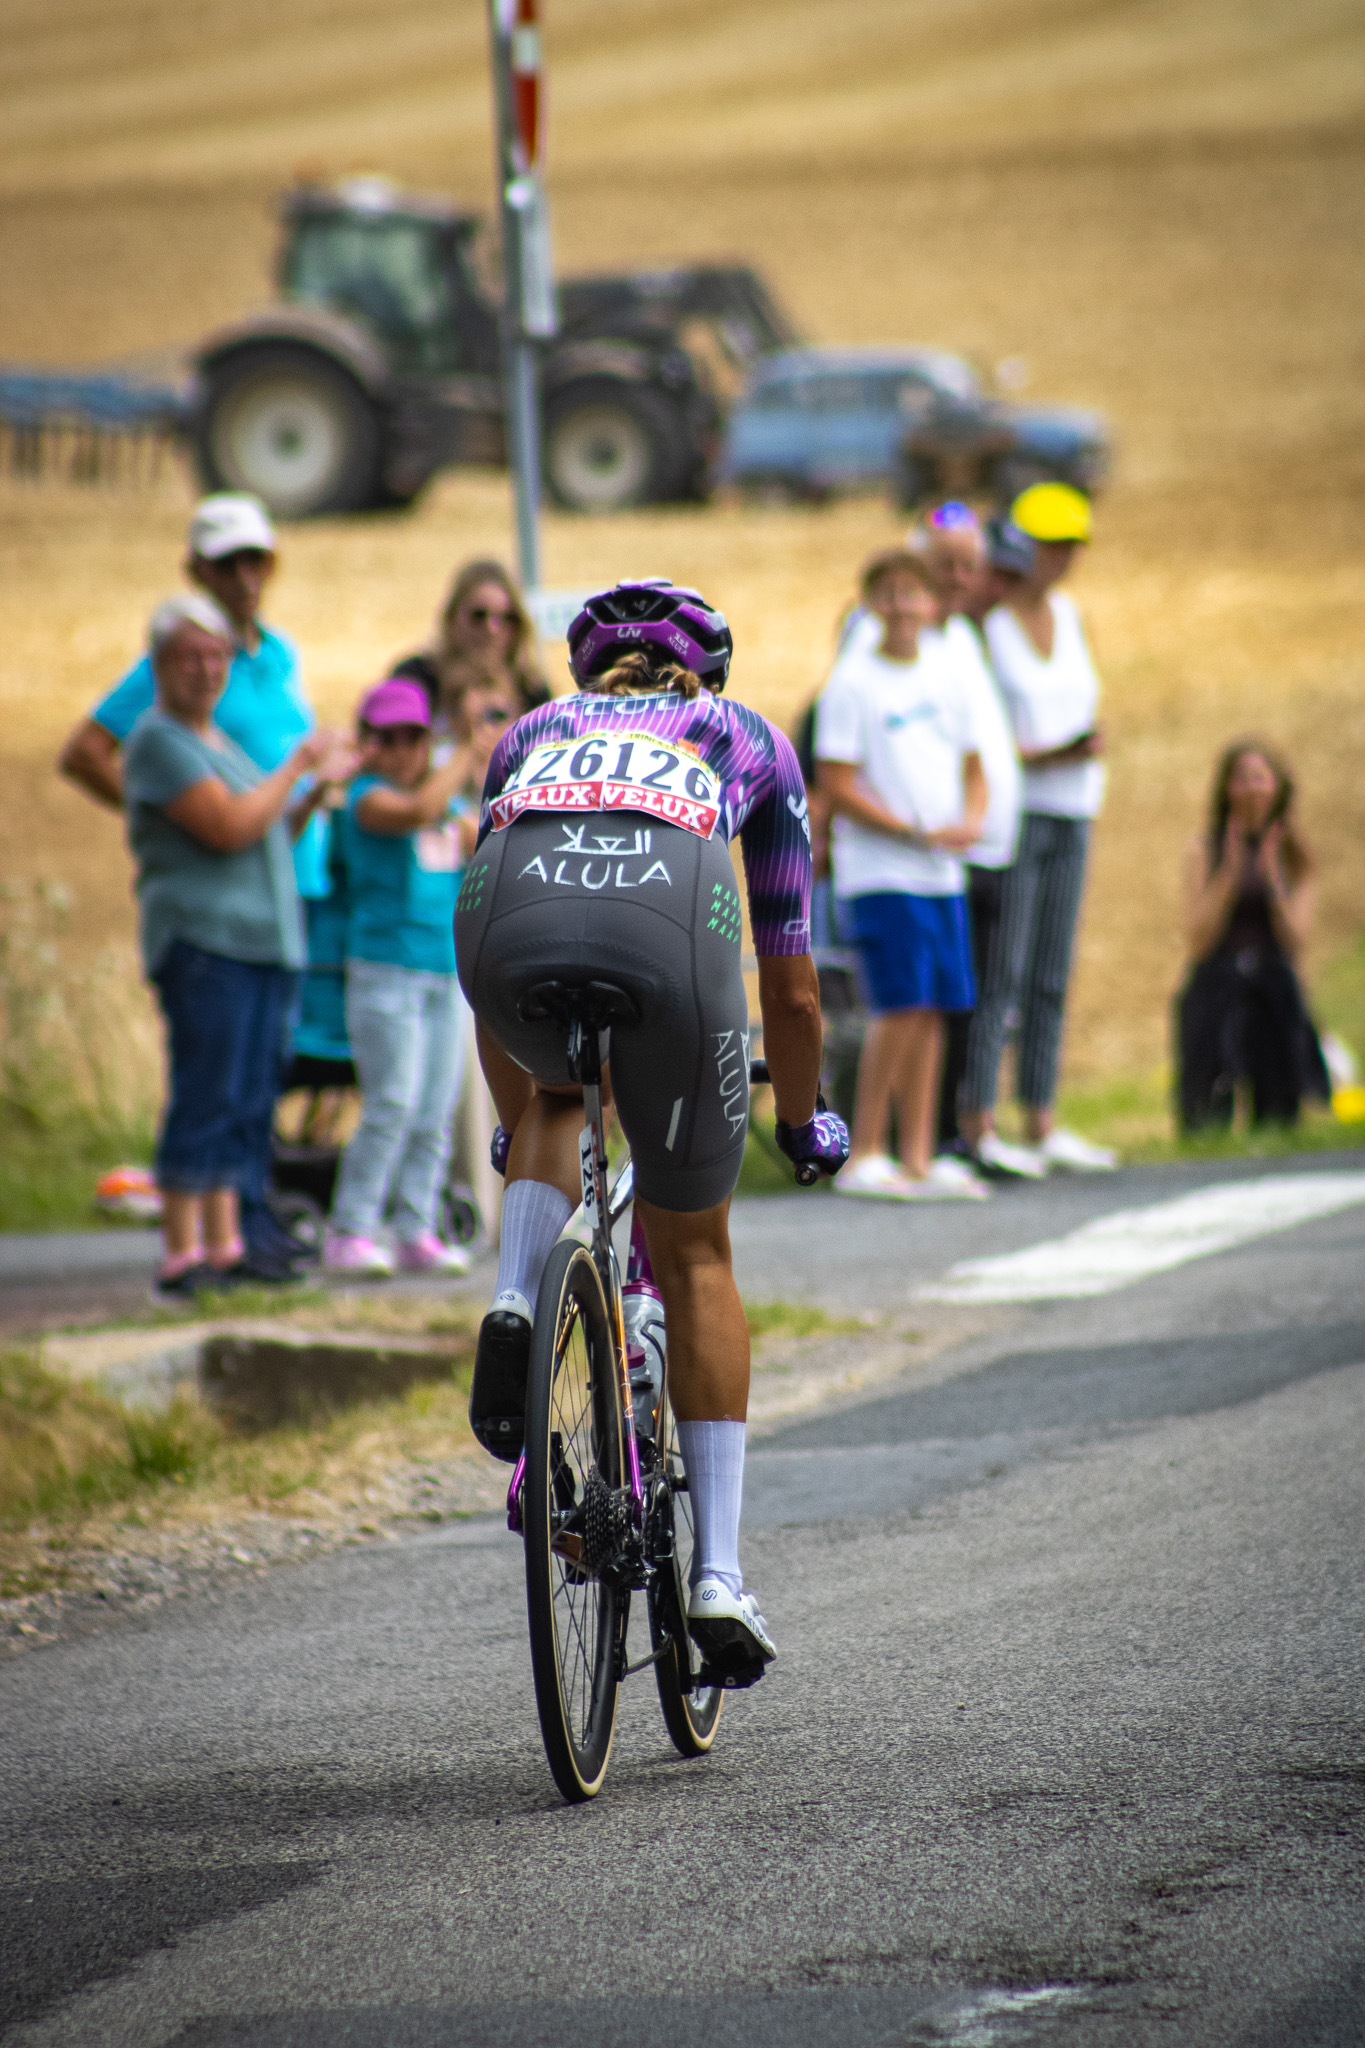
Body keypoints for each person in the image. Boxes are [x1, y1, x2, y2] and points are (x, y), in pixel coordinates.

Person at [456, 579, 847, 1678]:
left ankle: (517, 1295)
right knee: (694, 1248)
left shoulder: (527, 733)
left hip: (507, 937)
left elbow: (491, 962)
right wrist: (806, 1117)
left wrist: (515, 1125)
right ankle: (719, 1573)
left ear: (589, 673)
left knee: (555, 1097)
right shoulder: (747, 738)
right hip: (667, 943)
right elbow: (793, 985)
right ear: (706, 669)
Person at [57, 492, 328, 1267]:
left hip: (282, 889)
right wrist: (169, 819)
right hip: (215, 905)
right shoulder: (175, 661)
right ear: (199, 569)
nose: (244, 576)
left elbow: (257, 797)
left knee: (257, 1080)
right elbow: (89, 752)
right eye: (227, 562)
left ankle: (242, 1228)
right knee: (215, 1081)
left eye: (256, 559)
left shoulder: (277, 656)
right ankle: (206, 1245)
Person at [122, 595, 347, 1298]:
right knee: (206, 1094)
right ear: (160, 664)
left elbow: (268, 827)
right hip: (206, 945)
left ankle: (227, 1245)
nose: (207, 668)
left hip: (258, 948)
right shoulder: (158, 741)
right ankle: (181, 1254)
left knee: (247, 1099)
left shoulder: (219, 742)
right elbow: (225, 826)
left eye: (217, 654)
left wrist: (310, 794)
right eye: (190, 655)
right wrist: (295, 766)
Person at [815, 549, 989, 1200]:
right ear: (868, 603)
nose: (900, 606)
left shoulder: (946, 676)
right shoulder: (852, 683)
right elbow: (836, 781)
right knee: (898, 1004)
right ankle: (865, 1151)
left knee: (936, 1007)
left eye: (911, 592)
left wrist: (969, 820)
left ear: (930, 602)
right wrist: (907, 830)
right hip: (882, 869)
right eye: (885, 593)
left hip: (941, 871)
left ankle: (918, 1155)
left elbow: (975, 766)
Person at [958, 483, 1118, 1174]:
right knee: (1006, 970)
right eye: (1051, 546)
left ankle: (1042, 1117)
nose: (1062, 560)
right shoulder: (991, 631)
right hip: (1020, 811)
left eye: (1069, 547)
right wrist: (1051, 753)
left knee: (1051, 970)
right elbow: (984, 741)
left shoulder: (1071, 614)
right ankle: (981, 1119)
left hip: (1074, 806)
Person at [324, 677, 478, 1276]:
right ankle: (351, 1228)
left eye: (414, 737)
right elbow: (417, 810)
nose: (403, 751)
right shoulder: (367, 798)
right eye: (388, 739)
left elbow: (471, 833)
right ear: (370, 745)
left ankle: (415, 1226)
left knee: (435, 1107)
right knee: (392, 1101)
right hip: (385, 973)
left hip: (443, 972)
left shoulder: (445, 801)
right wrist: (464, 750)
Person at [1177, 740, 1326, 1129]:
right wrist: (1229, 869)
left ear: (1278, 787)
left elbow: (1295, 940)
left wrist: (1274, 878)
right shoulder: (1203, 850)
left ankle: (1279, 1107)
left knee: (1277, 991)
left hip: (1273, 977)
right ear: (1226, 789)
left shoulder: (1297, 856)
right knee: (1212, 1001)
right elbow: (1198, 941)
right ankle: (1207, 1113)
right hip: (1219, 974)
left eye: (1260, 778)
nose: (1251, 790)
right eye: (1240, 779)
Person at [432, 559, 551, 713]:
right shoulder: (420, 681)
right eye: (479, 615)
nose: (492, 629)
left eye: (508, 617)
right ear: (452, 620)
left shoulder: (533, 691)